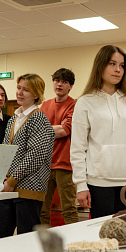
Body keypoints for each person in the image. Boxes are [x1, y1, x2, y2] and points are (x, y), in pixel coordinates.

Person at [70, 45, 126, 219]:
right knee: (102, 236)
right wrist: (81, 185)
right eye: (112, 63)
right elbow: (77, 148)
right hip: (98, 183)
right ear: (100, 65)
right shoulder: (85, 102)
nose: (118, 69)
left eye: (122, 65)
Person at [0, 74, 54, 238]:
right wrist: (4, 179)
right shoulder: (13, 119)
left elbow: (36, 155)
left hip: (29, 189)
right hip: (9, 187)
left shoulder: (39, 118)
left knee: (26, 239)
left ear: (36, 94)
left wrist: (13, 179)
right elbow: (5, 151)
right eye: (19, 88)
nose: (20, 92)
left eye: (26, 90)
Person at [40, 68, 78, 226]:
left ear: (70, 86)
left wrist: (44, 129)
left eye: (64, 82)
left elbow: (64, 130)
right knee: (42, 209)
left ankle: (74, 241)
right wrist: (55, 128)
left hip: (65, 164)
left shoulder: (75, 105)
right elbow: (38, 130)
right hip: (44, 164)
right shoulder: (45, 105)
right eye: (57, 80)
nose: (59, 84)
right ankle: (41, 242)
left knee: (68, 208)